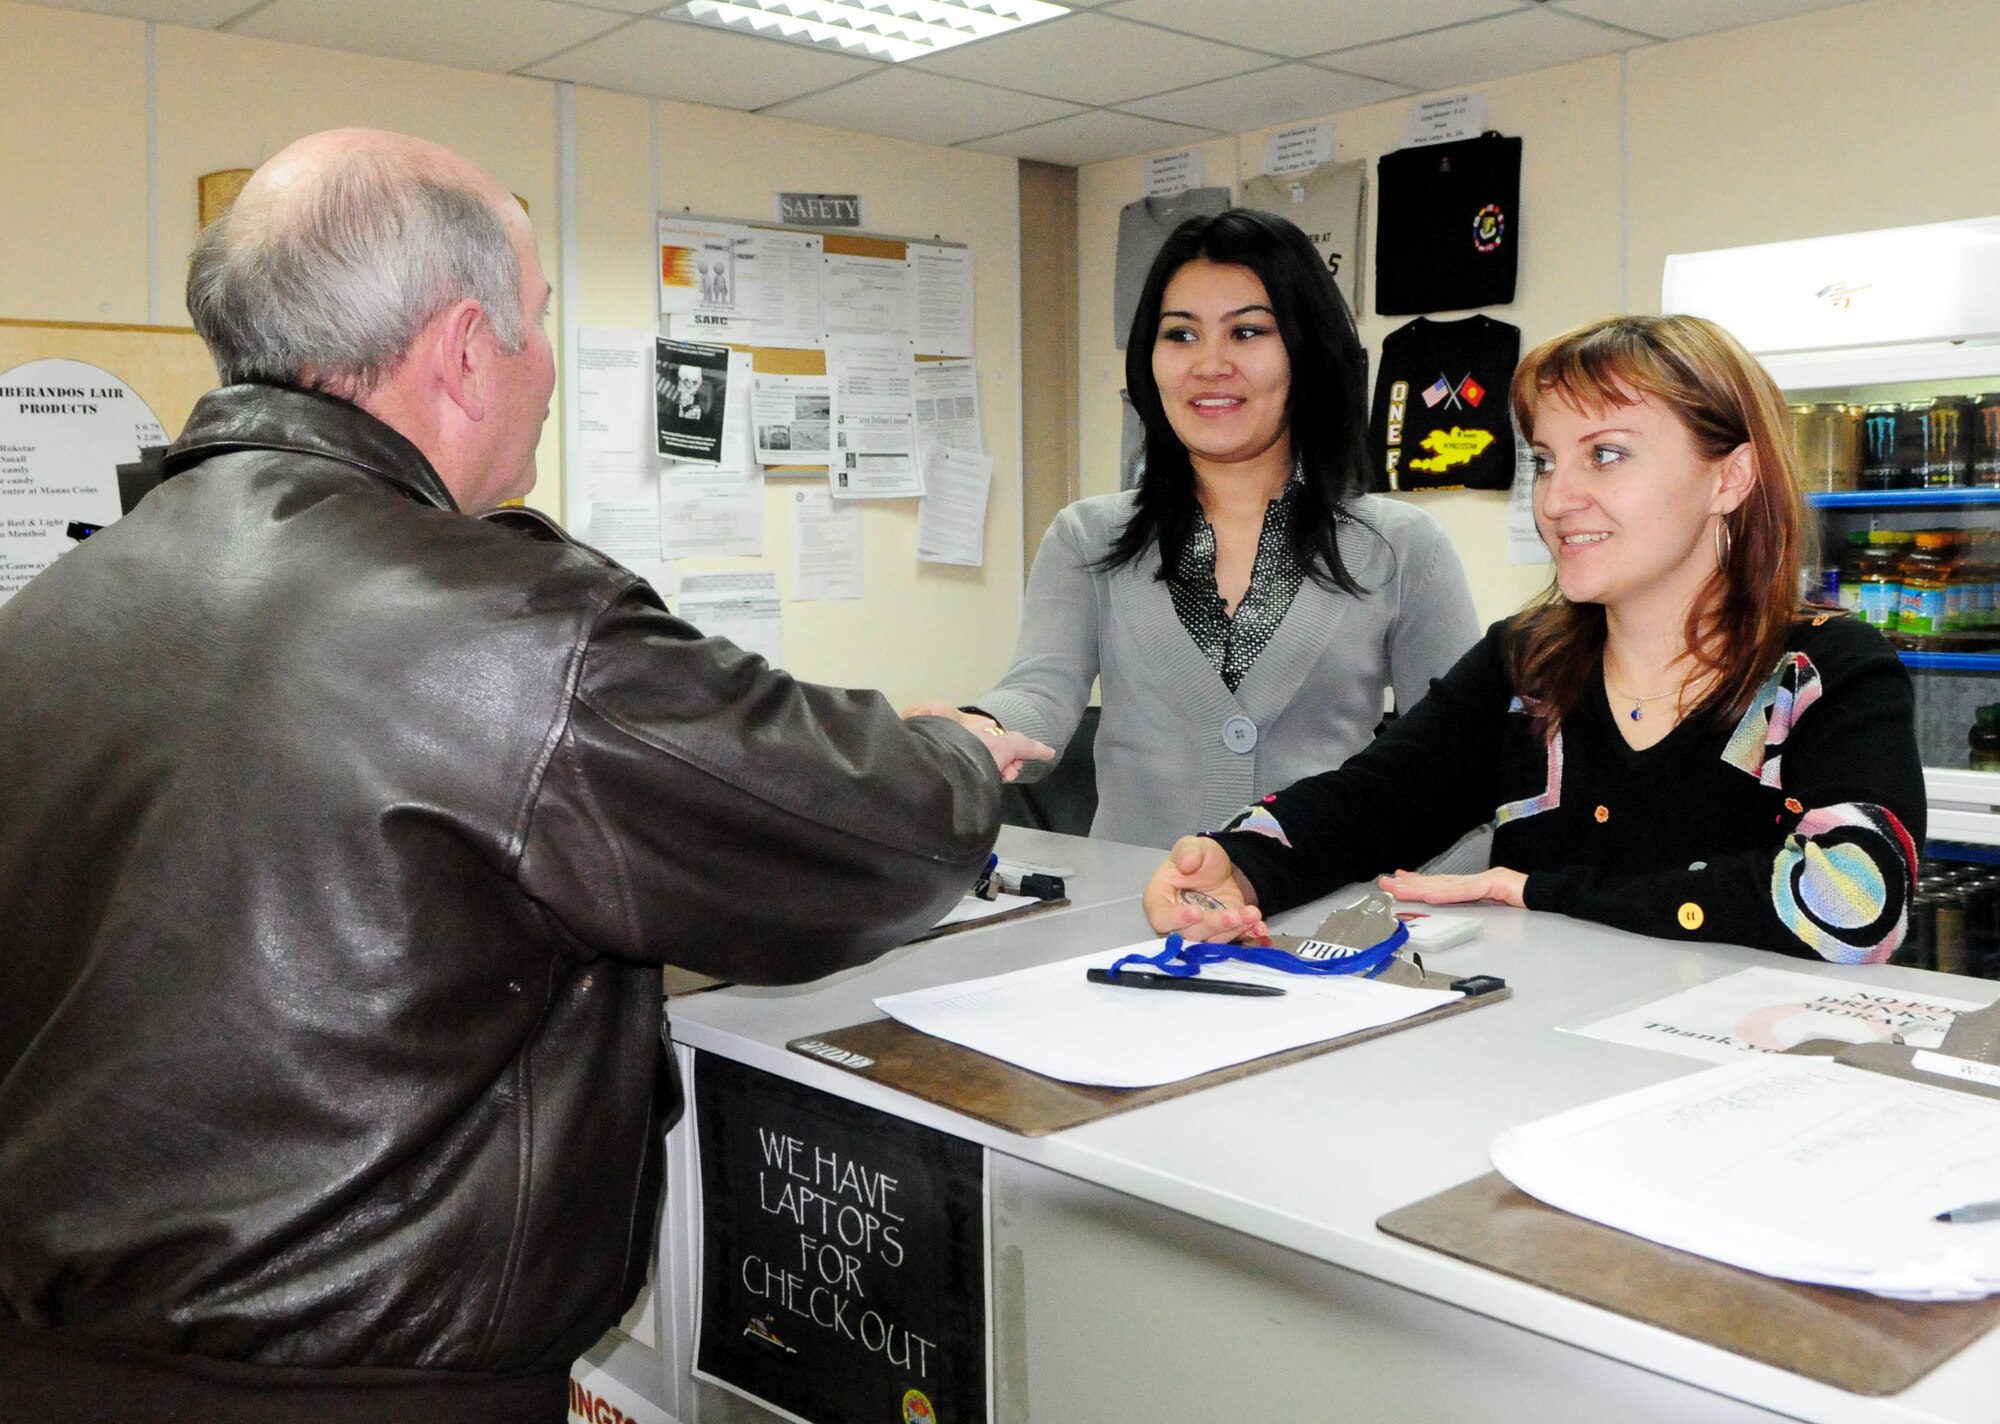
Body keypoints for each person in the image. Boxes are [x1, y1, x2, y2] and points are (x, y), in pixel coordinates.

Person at [0, 129, 1047, 1421]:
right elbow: (868, 832)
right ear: (461, 350)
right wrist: (956, 745)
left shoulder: (54, 611)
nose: (549, 371)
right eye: (540, 323)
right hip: (363, 1388)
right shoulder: (514, 632)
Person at [1145, 314, 1923, 964]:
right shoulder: (1528, 663)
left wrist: (1538, 892)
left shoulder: (1828, 669)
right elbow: (1374, 801)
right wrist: (1238, 865)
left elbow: (1856, 898)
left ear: (1731, 478)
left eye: (1606, 455)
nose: (1557, 498)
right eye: (1546, 462)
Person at [911, 208, 1479, 848]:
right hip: (1132, 922)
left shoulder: (1402, 548)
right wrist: (981, 728)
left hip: (1317, 923)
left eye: (1247, 333)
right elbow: (1041, 693)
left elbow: (1459, 754)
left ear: (1307, 349)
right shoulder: (1086, 536)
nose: (1209, 364)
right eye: (1180, 335)